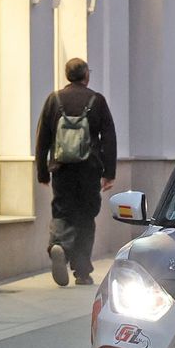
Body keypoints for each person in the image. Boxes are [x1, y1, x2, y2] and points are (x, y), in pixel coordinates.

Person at [35, 58, 117, 287]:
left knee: (62, 210)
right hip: (89, 169)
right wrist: (109, 172)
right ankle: (82, 272)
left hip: (62, 168)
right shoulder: (96, 100)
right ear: (86, 76)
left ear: (66, 75)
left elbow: (43, 138)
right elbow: (109, 137)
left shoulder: (54, 100)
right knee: (86, 216)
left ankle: (58, 244)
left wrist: (42, 171)